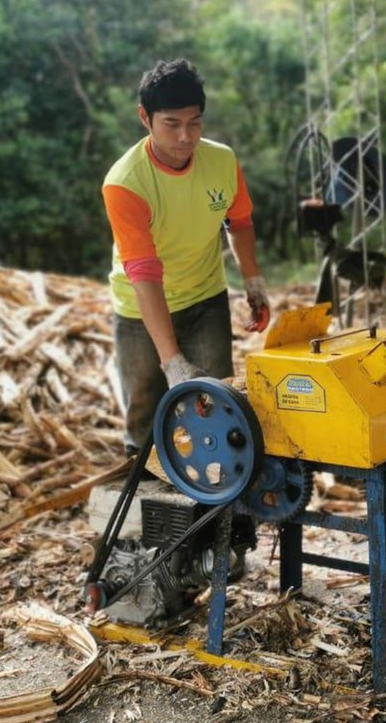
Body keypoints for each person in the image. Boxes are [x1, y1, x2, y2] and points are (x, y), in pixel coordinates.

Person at [103, 59, 270, 454]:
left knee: (221, 406)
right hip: (139, 310)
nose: (185, 136)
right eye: (172, 124)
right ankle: (145, 505)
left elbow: (240, 222)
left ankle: (229, 510)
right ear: (145, 118)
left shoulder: (222, 161)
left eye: (194, 123)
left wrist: (253, 281)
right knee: (146, 417)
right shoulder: (125, 183)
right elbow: (143, 273)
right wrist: (172, 362)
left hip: (205, 298)